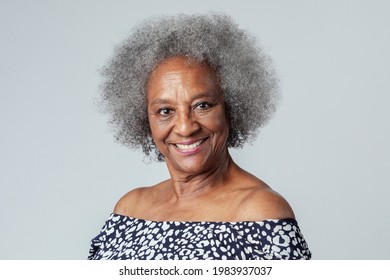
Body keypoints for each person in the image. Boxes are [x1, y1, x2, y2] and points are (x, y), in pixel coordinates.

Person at [88, 13, 311, 260]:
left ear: (231, 108)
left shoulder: (260, 212)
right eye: (165, 111)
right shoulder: (130, 209)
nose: (185, 127)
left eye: (202, 105)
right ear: (145, 120)